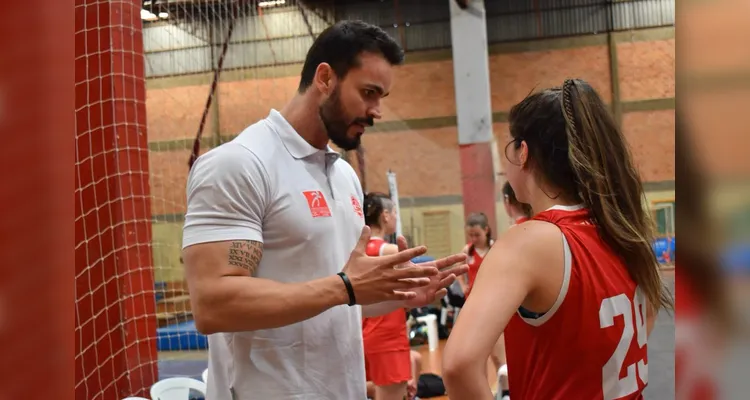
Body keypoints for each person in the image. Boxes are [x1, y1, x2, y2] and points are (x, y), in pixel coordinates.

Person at [181, 20, 468, 400]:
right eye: (368, 93)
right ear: (325, 78)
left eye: (381, 96)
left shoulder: (344, 176)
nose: (376, 110)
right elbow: (213, 305)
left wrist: (398, 294)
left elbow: (339, 301)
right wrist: (345, 287)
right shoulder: (238, 164)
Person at [441, 78, 673, 400]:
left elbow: (459, 365)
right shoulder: (621, 229)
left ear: (523, 153)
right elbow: (644, 321)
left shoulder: (529, 241)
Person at [361, 192, 414, 400]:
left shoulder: (357, 251)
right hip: (388, 336)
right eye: (393, 213)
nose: (394, 217)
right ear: (384, 215)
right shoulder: (390, 251)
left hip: (364, 333)